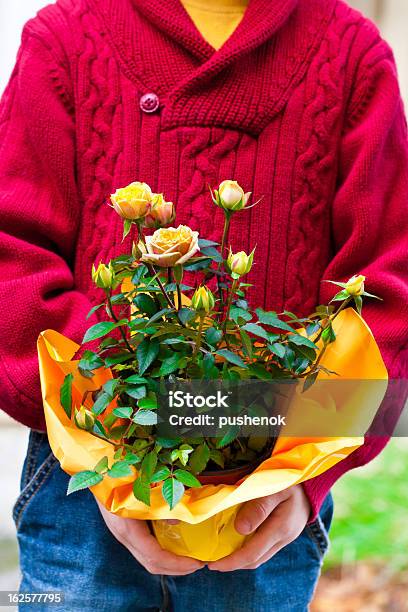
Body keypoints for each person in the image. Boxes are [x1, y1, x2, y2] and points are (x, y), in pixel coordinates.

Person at [1, 0, 407, 610]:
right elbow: (13, 263)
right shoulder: (66, 38)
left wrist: (305, 482)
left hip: (269, 486)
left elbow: (389, 296)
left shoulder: (349, 52)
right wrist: (110, 450)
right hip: (82, 489)